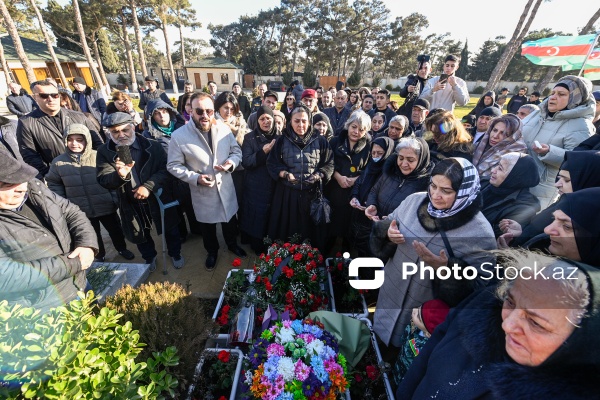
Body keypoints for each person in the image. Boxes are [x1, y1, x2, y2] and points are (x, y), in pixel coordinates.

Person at [396, 249, 600, 399]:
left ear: (580, 343)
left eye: (536, 323)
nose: (507, 325)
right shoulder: (483, 308)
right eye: (510, 302)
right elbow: (430, 352)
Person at [371, 157, 496, 348]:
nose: (435, 195)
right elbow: (388, 222)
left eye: (446, 191)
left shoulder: (481, 233)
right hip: (390, 292)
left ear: (465, 191)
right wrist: (387, 232)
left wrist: (446, 269)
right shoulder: (413, 201)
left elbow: (478, 289)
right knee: (377, 344)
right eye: (433, 185)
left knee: (404, 356)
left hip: (424, 314)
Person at [0, 148, 98, 313]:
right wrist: (73, 263)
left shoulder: (34, 187)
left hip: (79, 285)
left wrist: (87, 244)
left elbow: (71, 211)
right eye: (9, 184)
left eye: (22, 179)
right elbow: (7, 276)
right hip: (45, 309)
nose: (21, 189)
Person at [167, 92, 246, 270]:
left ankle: (232, 244)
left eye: (209, 111)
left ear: (213, 111)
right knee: (208, 228)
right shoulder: (179, 136)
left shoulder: (224, 128)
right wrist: (195, 178)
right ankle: (212, 252)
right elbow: (173, 165)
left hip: (225, 187)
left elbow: (236, 151)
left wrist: (231, 163)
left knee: (230, 222)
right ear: (191, 111)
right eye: (199, 111)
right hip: (202, 192)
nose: (205, 116)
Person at [96, 112, 184, 271]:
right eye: (115, 132)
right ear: (109, 132)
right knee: (139, 232)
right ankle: (149, 257)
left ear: (133, 127)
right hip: (129, 200)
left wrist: (149, 186)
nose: (121, 135)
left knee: (170, 228)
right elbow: (103, 179)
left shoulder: (153, 145)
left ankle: (175, 253)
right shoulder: (105, 151)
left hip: (158, 196)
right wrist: (120, 176)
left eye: (125, 130)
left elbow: (166, 170)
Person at [45, 124, 135, 262]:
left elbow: (111, 178)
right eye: (70, 139)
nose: (74, 143)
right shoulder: (58, 162)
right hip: (80, 209)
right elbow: (54, 183)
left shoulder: (98, 156)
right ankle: (100, 255)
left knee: (115, 230)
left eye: (79, 139)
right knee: (92, 233)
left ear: (87, 140)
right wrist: (64, 203)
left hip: (105, 205)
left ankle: (122, 248)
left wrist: (113, 199)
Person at [498, 150, 600, 248]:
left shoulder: (587, 224)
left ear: (589, 181)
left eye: (567, 180)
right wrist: (521, 232)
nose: (557, 184)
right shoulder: (559, 206)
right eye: (559, 178)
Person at [266, 105, 334, 249]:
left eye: (304, 121)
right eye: (297, 121)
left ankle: (310, 259)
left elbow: (329, 163)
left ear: (309, 122)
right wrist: (284, 174)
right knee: (289, 230)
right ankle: (287, 259)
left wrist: (319, 175)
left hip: (312, 194)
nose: (300, 125)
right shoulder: (282, 140)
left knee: (310, 232)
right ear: (290, 121)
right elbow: (272, 163)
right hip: (288, 195)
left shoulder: (321, 141)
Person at [523, 75, 595, 208]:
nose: (553, 97)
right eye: (553, 93)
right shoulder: (538, 113)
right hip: (516, 178)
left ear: (576, 98)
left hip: (540, 189)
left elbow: (578, 163)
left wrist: (550, 152)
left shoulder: (581, 126)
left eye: (561, 94)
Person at [17, 80, 104, 178]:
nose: (50, 99)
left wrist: (100, 167)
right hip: (60, 177)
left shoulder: (79, 116)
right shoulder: (26, 122)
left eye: (54, 95)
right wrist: (50, 175)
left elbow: (98, 144)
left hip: (91, 171)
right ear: (34, 97)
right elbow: (29, 155)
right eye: (44, 96)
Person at [326, 110, 371, 250]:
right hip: (334, 189)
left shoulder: (369, 146)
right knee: (331, 225)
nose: (356, 132)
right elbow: (327, 163)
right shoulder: (335, 141)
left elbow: (370, 169)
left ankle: (346, 257)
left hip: (354, 193)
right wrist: (338, 176)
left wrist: (356, 179)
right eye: (354, 127)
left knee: (348, 227)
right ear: (348, 125)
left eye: (361, 129)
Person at [365, 137, 433, 221]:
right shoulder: (390, 171)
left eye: (410, 160)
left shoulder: (427, 184)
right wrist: (372, 205)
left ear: (421, 160)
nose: (404, 164)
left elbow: (422, 217)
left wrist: (397, 221)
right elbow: (374, 191)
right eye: (400, 158)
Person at [240, 106, 279, 255]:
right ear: (257, 121)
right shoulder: (250, 138)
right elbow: (247, 161)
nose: (265, 122)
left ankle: (270, 243)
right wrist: (263, 152)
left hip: (274, 184)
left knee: (272, 215)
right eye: (262, 119)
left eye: (268, 118)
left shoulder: (279, 137)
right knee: (256, 215)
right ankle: (256, 244)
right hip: (255, 184)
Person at [349, 136, 395, 257]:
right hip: (358, 215)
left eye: (380, 153)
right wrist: (354, 197)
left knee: (367, 252)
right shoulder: (370, 165)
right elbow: (359, 183)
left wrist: (371, 205)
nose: (375, 156)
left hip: (373, 219)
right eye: (373, 153)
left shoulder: (390, 172)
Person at [480, 152, 540, 238]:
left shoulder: (523, 209)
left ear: (515, 176)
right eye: (497, 165)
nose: (493, 170)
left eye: (500, 168)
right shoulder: (484, 183)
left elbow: (495, 237)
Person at [393, 299, 450, 385]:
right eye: (419, 307)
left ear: (428, 334)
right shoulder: (415, 326)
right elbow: (405, 336)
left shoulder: (426, 349)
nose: (414, 310)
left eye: (418, 316)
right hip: (399, 363)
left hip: (406, 377)